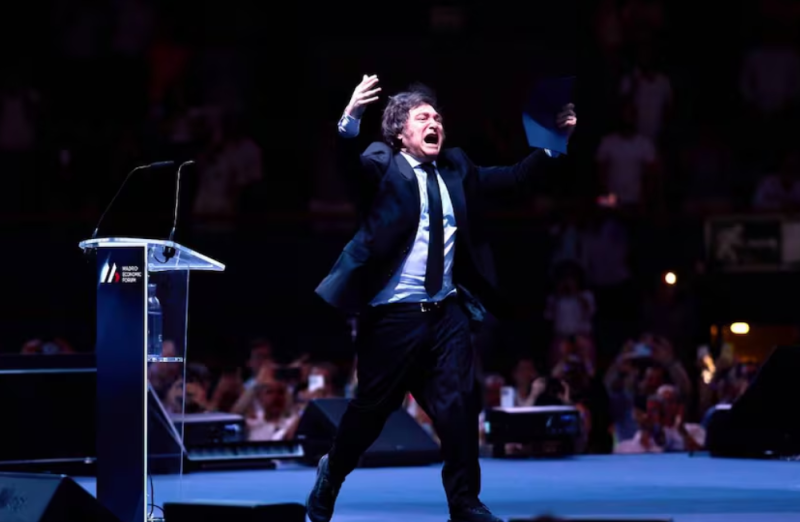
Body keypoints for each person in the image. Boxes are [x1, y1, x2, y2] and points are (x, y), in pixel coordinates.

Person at [306, 75, 576, 522]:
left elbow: (513, 179)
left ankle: (464, 503)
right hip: (391, 318)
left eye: (438, 117)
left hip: (445, 314)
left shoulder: (456, 167)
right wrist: (351, 116)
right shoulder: (381, 162)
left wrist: (553, 143)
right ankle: (332, 471)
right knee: (370, 414)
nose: (435, 123)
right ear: (400, 132)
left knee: (459, 408)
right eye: (423, 117)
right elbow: (348, 167)